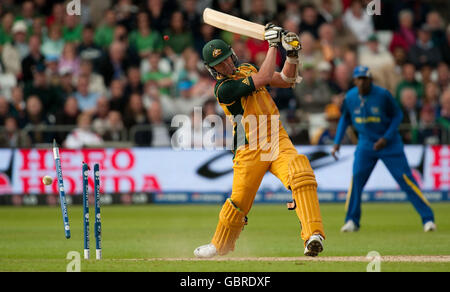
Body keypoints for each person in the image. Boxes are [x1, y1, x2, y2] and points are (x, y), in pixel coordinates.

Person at [194, 25, 325, 259]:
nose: (226, 65)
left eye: (226, 59)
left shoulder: (247, 67)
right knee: (238, 204)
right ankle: (219, 245)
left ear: (232, 55)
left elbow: (286, 79)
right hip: (248, 147)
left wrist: (292, 54)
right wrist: (274, 45)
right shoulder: (223, 89)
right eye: (219, 65)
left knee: (301, 173)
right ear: (212, 70)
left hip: (276, 137)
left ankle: (313, 236)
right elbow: (264, 77)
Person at [331, 66, 436, 233]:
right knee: (356, 180)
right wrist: (337, 142)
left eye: (365, 79)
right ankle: (352, 220)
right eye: (359, 79)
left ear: (371, 80)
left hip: (390, 144)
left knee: (406, 180)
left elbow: (397, 116)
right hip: (366, 144)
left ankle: (428, 219)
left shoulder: (383, 95)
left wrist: (386, 138)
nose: (362, 82)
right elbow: (345, 118)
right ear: (355, 81)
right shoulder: (350, 97)